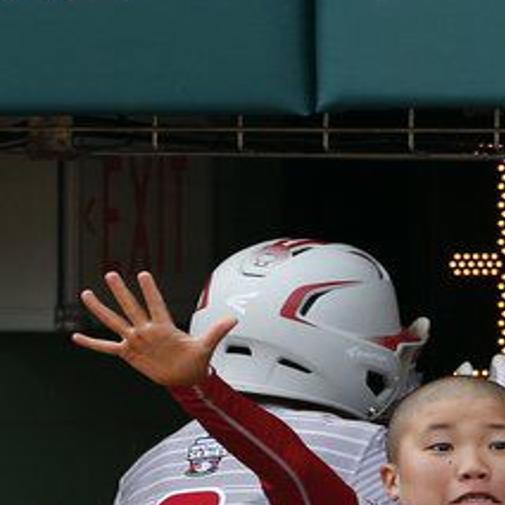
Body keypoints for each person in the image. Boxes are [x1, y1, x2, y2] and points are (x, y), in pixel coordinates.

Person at [72, 270, 505, 505]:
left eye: (500, 446)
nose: (471, 467)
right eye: (441, 448)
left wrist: (199, 389)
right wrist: (198, 387)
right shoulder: (366, 449)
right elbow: (293, 470)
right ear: (390, 480)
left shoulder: (149, 465)